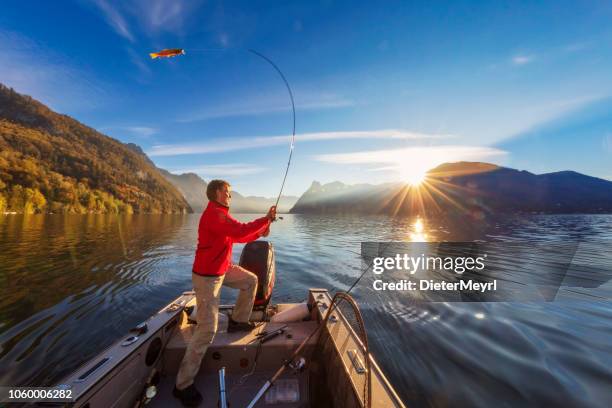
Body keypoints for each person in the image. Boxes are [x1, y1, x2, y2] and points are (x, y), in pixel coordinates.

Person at [173, 179, 276, 406]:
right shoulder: (215, 215)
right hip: (208, 277)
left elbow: (239, 236)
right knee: (207, 329)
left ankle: (239, 320)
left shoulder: (221, 214)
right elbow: (240, 230)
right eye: (227, 192)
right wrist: (265, 219)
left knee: (251, 281)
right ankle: (182, 385)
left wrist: (261, 231)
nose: (230, 195)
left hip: (222, 268)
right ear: (217, 193)